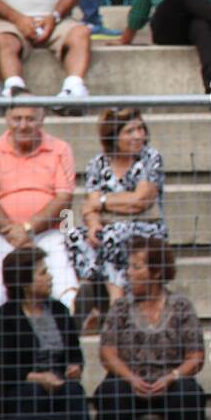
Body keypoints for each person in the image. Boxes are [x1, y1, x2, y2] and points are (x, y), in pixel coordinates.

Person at [0, 96, 80, 309]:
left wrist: (27, 228)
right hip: (3, 234)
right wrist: (13, 232)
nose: (23, 125)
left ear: (42, 120)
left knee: (59, 269)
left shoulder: (60, 148)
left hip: (48, 231)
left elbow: (63, 198)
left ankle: (73, 313)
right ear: (7, 118)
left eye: (30, 119)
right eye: (17, 118)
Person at [95, 236, 206, 420]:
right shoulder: (121, 307)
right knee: (111, 390)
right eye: (129, 267)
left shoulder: (181, 307)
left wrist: (171, 377)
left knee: (188, 391)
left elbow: (196, 356)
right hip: (129, 383)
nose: (128, 273)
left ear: (156, 273)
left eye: (136, 268)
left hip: (168, 384)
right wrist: (131, 378)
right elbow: (107, 353)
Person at [65, 108, 167, 312]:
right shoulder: (98, 163)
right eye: (130, 131)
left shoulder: (150, 158)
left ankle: (114, 302)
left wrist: (103, 202)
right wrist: (93, 225)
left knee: (113, 236)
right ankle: (94, 292)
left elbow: (140, 200)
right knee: (73, 236)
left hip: (147, 227)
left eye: (140, 129)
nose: (138, 136)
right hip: (108, 228)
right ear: (113, 136)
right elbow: (89, 205)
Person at [0, 246, 90, 420]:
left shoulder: (59, 310)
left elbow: (74, 352)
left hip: (59, 382)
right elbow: (4, 367)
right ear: (25, 283)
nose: (50, 277)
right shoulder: (5, 317)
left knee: (73, 391)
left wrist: (74, 366)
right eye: (43, 273)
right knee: (31, 394)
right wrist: (39, 377)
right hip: (24, 384)